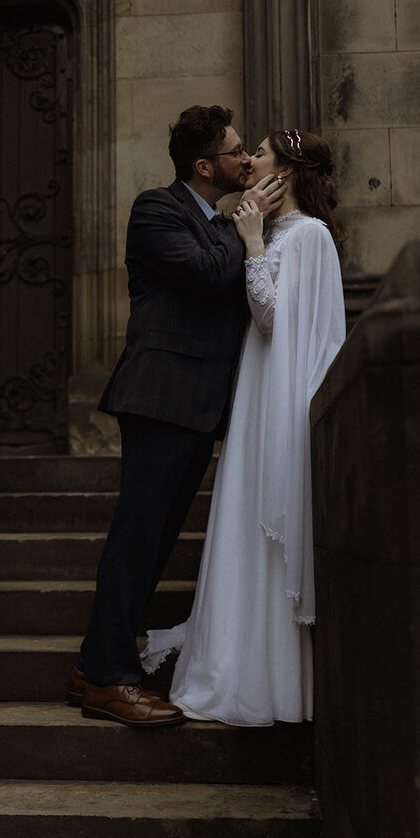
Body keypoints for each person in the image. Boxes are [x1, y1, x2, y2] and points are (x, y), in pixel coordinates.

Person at [67, 105, 285, 727]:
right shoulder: (156, 210)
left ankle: (92, 664)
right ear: (203, 165)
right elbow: (211, 274)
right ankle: (110, 679)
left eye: (248, 150)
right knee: (136, 539)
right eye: (237, 152)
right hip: (160, 396)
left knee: (155, 541)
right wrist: (242, 223)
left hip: (201, 406)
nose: (247, 161)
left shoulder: (227, 216)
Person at [142, 129, 346, 726]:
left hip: (275, 400)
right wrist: (254, 234)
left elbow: (270, 318)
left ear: (285, 173)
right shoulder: (275, 230)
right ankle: (232, 656)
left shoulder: (307, 234)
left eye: (259, 154)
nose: (248, 161)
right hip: (251, 392)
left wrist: (252, 239)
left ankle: (262, 678)